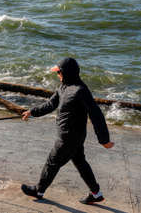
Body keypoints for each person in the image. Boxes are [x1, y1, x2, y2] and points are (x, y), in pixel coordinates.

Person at [21, 57, 114, 204]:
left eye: (58, 72)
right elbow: (51, 104)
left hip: (69, 137)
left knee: (52, 162)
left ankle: (39, 190)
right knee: (80, 162)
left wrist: (104, 140)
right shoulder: (63, 87)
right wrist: (32, 112)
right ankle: (96, 193)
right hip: (72, 136)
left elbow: (96, 115)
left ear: (65, 73)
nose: (57, 75)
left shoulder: (81, 90)